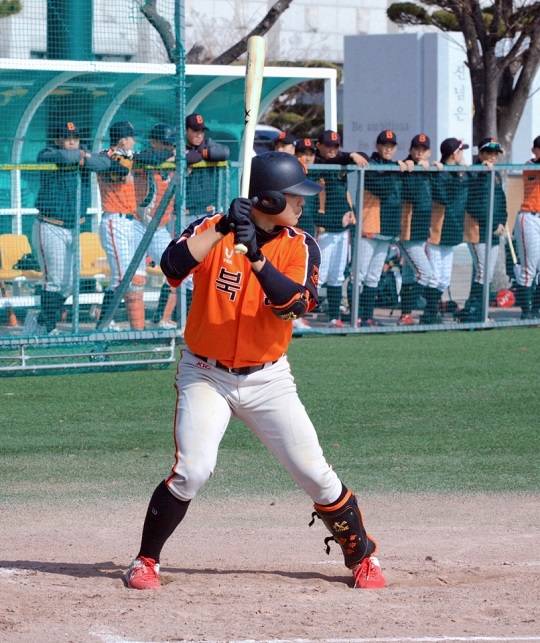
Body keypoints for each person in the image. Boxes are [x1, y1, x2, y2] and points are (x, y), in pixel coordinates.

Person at [123, 152, 386, 592]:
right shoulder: (214, 228)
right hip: (206, 374)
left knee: (314, 473)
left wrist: (258, 258)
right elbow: (171, 266)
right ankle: (146, 560)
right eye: (293, 196)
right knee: (193, 470)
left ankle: (362, 557)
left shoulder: (301, 245)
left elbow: (295, 305)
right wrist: (224, 228)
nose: (302, 203)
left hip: (268, 379)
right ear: (267, 198)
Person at [28, 121, 109, 335]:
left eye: (75, 137)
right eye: (67, 137)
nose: (72, 141)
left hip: (74, 229)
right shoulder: (48, 153)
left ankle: (40, 320)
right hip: (50, 226)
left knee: (71, 283)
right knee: (54, 280)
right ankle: (48, 328)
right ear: (57, 140)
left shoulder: (83, 155)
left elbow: (104, 163)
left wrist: (84, 156)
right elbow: (64, 157)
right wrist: (82, 156)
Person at [354, 130, 413, 326]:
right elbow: (382, 187)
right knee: (359, 274)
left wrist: (409, 164)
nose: (388, 149)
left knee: (373, 276)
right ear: (377, 146)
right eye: (384, 145)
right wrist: (397, 169)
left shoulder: (394, 166)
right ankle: (355, 316)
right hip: (369, 227)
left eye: (391, 146)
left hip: (387, 229)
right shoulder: (370, 164)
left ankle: (367, 317)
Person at [314, 130, 368, 327]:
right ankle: (297, 316)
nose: (332, 149)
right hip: (324, 229)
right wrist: (349, 155)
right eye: (328, 145)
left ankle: (334, 317)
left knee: (337, 275)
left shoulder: (341, 160)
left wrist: (352, 155)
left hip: (342, 229)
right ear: (319, 145)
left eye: (335, 146)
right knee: (318, 275)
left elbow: (365, 158)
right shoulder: (316, 162)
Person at [97, 120, 145, 330]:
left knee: (133, 277)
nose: (133, 141)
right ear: (123, 139)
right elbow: (120, 171)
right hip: (114, 221)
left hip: (131, 222)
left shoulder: (130, 156)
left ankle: (135, 329)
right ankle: (103, 324)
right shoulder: (106, 156)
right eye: (131, 137)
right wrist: (130, 159)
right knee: (121, 278)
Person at [133, 123, 178, 329]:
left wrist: (177, 157)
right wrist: (172, 157)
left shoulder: (174, 158)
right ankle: (127, 327)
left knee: (178, 269)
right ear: (153, 142)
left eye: (172, 144)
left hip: (159, 228)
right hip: (137, 225)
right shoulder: (144, 157)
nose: (170, 147)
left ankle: (162, 319)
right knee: (133, 278)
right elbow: (147, 158)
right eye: (165, 144)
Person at [459, 137, 507, 322]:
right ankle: (475, 312)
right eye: (488, 152)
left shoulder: (495, 173)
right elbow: (473, 204)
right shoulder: (475, 172)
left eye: (495, 153)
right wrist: (493, 224)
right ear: (480, 154)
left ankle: (475, 311)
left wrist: (502, 222)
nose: (492, 156)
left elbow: (501, 200)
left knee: (487, 273)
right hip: (477, 229)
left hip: (494, 230)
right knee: (482, 271)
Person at [422, 138, 469, 324]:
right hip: (437, 229)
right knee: (434, 276)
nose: (462, 155)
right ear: (453, 154)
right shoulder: (439, 171)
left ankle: (432, 311)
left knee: (444, 278)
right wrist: (445, 173)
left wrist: (462, 172)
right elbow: (444, 196)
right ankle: (429, 313)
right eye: (460, 152)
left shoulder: (460, 172)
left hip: (452, 229)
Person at [398, 133, 436, 325]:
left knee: (409, 275)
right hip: (407, 232)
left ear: (428, 152)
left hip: (420, 231)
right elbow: (409, 193)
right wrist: (413, 170)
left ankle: (405, 315)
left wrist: (435, 170)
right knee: (425, 273)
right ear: (411, 150)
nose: (419, 152)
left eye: (423, 149)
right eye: (416, 149)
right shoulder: (406, 167)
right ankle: (407, 312)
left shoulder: (427, 168)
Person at [514, 135, 540, 319]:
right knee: (528, 268)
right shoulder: (529, 165)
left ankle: (536, 309)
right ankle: (526, 311)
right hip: (529, 218)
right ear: (534, 150)